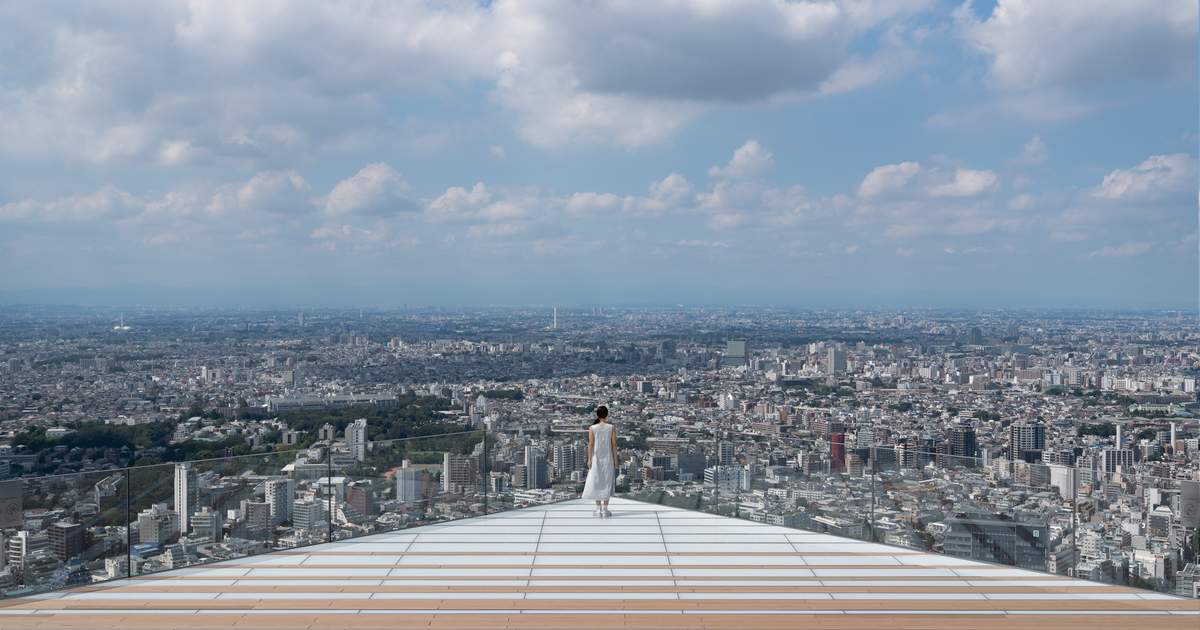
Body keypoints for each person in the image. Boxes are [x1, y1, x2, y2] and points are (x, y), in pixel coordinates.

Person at [581, 405, 617, 517]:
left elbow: (590, 445)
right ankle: (605, 510)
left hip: (595, 459)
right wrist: (616, 460)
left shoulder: (592, 428)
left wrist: (589, 459)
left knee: (596, 482)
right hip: (608, 458)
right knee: (606, 482)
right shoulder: (611, 427)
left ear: (597, 415)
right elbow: (614, 445)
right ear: (606, 415)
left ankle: (598, 509)